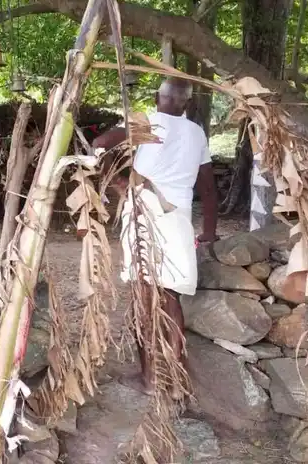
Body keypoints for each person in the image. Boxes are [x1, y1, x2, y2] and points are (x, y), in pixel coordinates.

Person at [92, 78, 218, 395]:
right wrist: (210, 232)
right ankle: (173, 380)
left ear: (156, 97)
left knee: (143, 294)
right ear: (186, 103)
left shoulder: (144, 121)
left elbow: (100, 144)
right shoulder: (197, 133)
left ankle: (149, 378)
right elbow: (207, 188)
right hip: (178, 217)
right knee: (171, 296)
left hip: (144, 211)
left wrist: (118, 180)